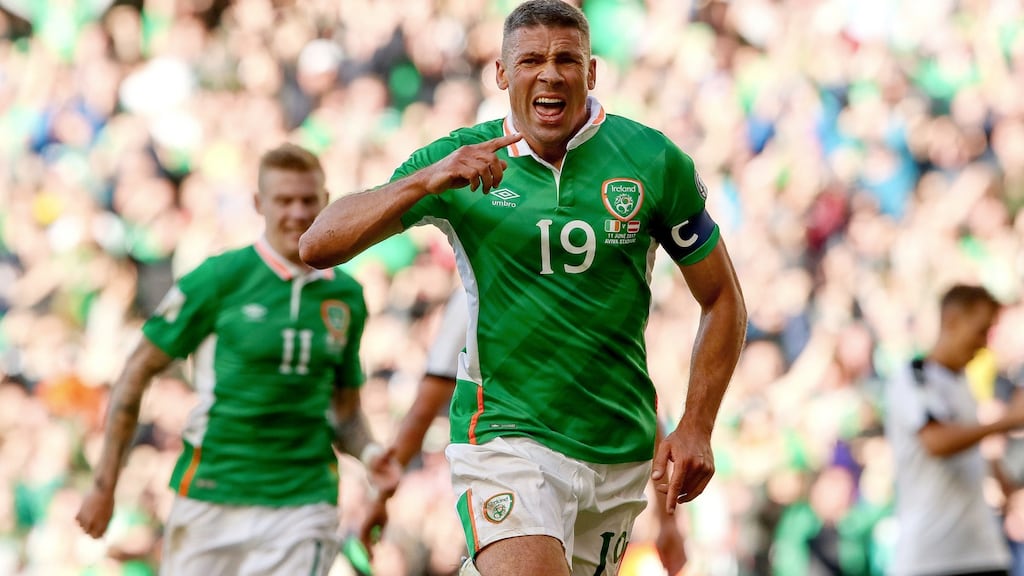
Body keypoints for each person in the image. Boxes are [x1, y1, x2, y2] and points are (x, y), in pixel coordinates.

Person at [299, 1, 747, 574]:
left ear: (592, 73)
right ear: (502, 74)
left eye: (567, 59)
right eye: (531, 59)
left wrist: (697, 426)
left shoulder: (652, 161)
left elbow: (722, 297)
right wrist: (421, 182)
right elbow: (318, 246)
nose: (550, 73)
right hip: (506, 439)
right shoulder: (463, 160)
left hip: (618, 452)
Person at [76, 143, 400, 575]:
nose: (297, 213)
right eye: (284, 201)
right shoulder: (219, 278)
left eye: (308, 200)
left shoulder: (346, 296)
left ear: (325, 202)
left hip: (303, 501)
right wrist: (104, 485)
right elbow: (137, 370)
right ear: (258, 204)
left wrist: (371, 451)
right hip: (212, 492)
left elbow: (345, 414)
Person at [359, 288, 689, 574]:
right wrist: (385, 488)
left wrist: (669, 521)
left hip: (596, 482)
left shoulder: (584, 289)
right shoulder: (476, 296)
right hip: (510, 472)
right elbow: (426, 405)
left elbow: (637, 401)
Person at [885, 284, 1024, 576]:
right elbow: (937, 442)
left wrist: (1008, 490)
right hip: (933, 557)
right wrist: (1007, 421)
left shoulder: (964, 383)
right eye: (980, 331)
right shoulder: (913, 378)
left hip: (983, 552)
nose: (984, 343)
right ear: (951, 321)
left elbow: (973, 450)